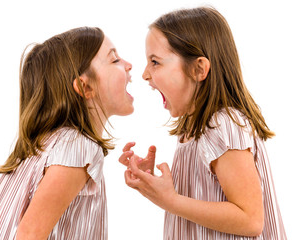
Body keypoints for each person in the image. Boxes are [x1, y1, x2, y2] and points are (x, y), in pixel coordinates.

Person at [119, 7, 286, 239]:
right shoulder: (193, 129)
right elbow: (204, 201)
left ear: (199, 69)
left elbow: (250, 219)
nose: (145, 74)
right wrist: (156, 187)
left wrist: (172, 201)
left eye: (155, 62)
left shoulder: (224, 124)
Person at [0, 26, 134, 240]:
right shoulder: (79, 147)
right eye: (115, 60)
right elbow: (30, 233)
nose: (129, 65)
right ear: (85, 88)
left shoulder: (52, 143)